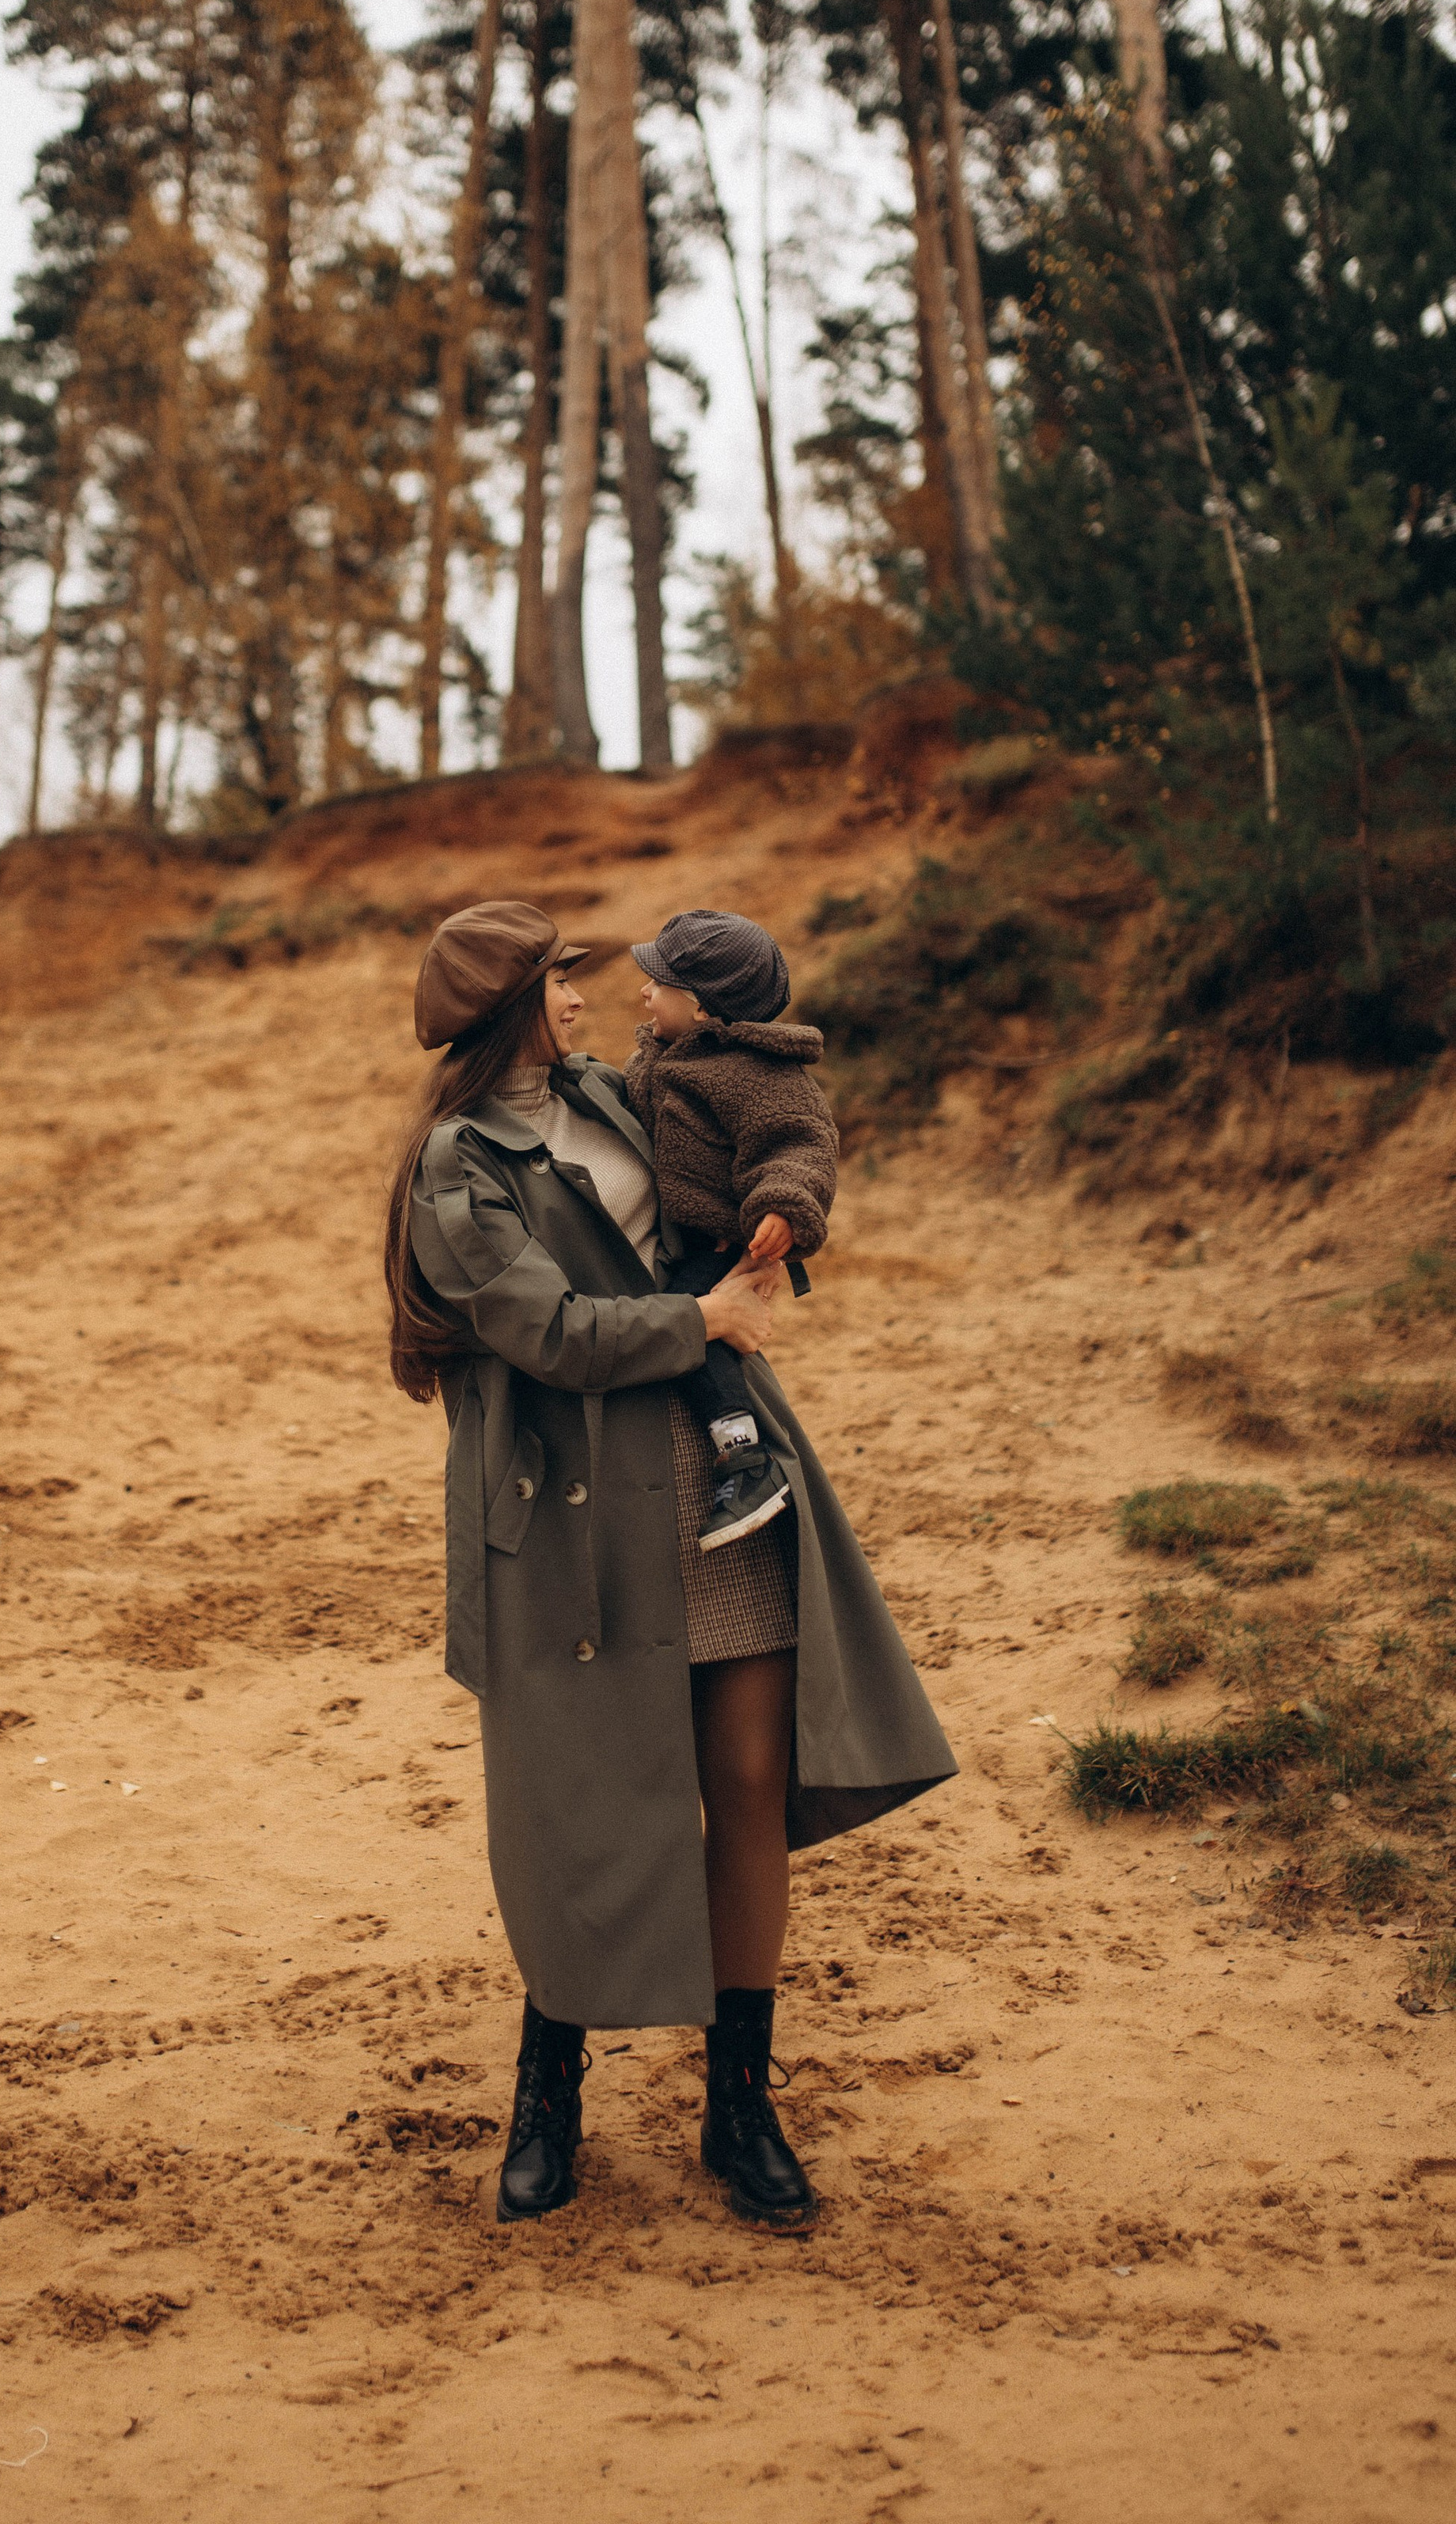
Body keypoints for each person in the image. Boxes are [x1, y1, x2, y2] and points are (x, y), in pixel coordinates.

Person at [384, 899, 956, 2233]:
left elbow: (772, 1120)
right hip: (572, 1502)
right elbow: (549, 1331)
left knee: (748, 1774)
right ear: (504, 1012)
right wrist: (701, 1314)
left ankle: (738, 2101)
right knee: (582, 1797)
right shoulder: (453, 1168)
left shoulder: (622, 1086)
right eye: (557, 984)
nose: (582, 998)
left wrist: (780, 1223)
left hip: (719, 1468)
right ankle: (551, 2093)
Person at [625, 908, 839, 1554]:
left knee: (692, 1325)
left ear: (699, 1008)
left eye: (656, 984)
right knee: (682, 1321)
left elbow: (801, 1146)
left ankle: (744, 1459)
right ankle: (741, 1452)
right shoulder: (659, 1056)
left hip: (722, 1241)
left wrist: (782, 1206)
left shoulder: (760, 1074)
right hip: (679, 1235)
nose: (643, 993)